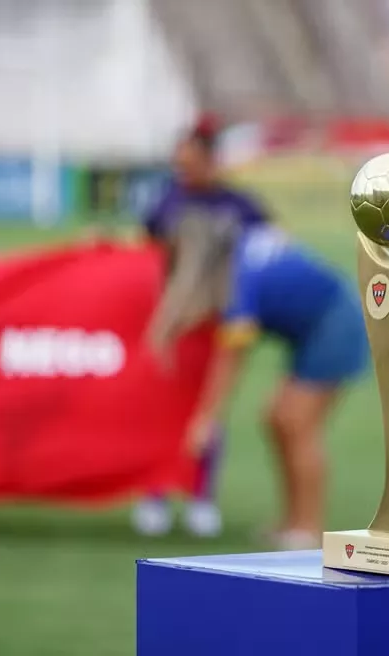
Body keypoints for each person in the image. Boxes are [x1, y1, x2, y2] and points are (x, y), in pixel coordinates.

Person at [183, 219, 369, 549]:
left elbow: (233, 353)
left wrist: (207, 417)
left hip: (335, 325)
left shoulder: (239, 278)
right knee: (279, 419)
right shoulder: (244, 250)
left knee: (296, 424)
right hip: (322, 323)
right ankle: (293, 521)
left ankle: (308, 527)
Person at [131, 114, 270, 538]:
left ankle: (200, 497)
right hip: (174, 325)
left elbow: (268, 254)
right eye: (179, 163)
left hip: (219, 328)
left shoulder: (241, 206)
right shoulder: (167, 203)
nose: (183, 170)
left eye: (189, 162)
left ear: (210, 159)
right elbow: (143, 255)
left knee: (208, 411)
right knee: (160, 409)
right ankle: (155, 494)